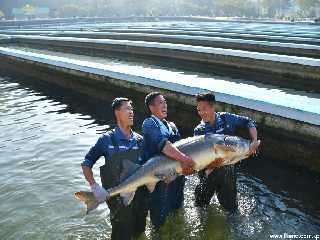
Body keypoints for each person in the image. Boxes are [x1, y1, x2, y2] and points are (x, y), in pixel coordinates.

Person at [81, 97, 148, 240]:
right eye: (127, 108)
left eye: (132, 109)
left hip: (140, 197)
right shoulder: (107, 139)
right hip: (118, 200)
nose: (132, 112)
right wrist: (94, 186)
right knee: (121, 235)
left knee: (139, 232)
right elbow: (86, 163)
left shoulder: (140, 140)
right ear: (117, 112)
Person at [194, 92, 260, 212]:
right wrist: (214, 164)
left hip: (228, 168)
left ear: (213, 107)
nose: (201, 113)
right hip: (209, 170)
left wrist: (254, 142)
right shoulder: (199, 130)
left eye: (204, 109)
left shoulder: (226, 118)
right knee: (200, 206)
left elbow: (249, 122)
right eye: (198, 110)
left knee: (232, 209)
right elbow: (200, 162)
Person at [142, 92, 195, 228]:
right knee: (159, 220)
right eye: (161, 103)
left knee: (177, 211)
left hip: (177, 177)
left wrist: (186, 169)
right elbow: (164, 146)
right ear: (151, 107)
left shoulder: (172, 125)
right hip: (159, 178)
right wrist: (186, 160)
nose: (165, 105)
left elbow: (181, 149)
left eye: (165, 102)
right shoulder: (149, 123)